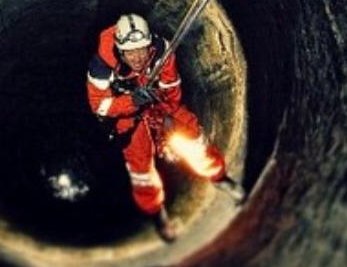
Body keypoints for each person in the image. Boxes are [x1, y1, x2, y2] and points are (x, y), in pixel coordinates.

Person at [85, 13, 242, 242]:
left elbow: (172, 87)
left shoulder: (162, 51)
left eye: (142, 48)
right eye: (130, 52)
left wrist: (167, 116)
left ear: (149, 44)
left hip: (159, 102)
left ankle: (219, 177)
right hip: (127, 117)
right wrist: (131, 102)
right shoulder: (101, 67)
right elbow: (99, 105)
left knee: (193, 139)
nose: (138, 57)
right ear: (120, 50)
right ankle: (158, 215)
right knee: (141, 171)